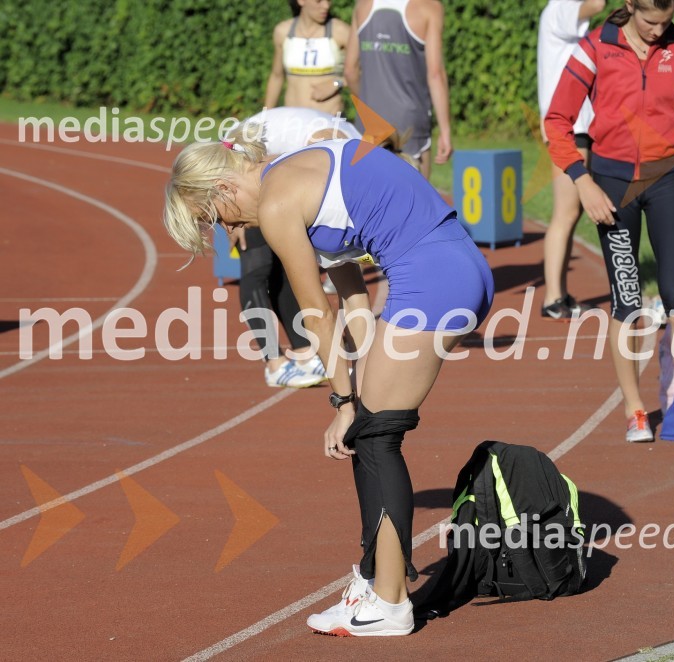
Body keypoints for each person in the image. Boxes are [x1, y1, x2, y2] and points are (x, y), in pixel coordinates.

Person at [163, 136, 494, 636]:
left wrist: (343, 400)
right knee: (370, 428)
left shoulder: (276, 202)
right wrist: (357, 384)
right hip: (452, 265)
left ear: (224, 184)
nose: (229, 232)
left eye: (218, 218)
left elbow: (314, 314)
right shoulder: (297, 172)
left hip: (434, 276)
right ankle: (373, 579)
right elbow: (352, 299)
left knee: (375, 435)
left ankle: (390, 603)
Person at [546, 0, 674, 450]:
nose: (660, 30)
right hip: (611, 184)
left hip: (669, 180)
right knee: (627, 300)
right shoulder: (594, 48)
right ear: (628, 6)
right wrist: (582, 183)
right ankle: (634, 409)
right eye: (649, 21)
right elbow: (557, 122)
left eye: (667, 20)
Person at [226, 107, 362, 387]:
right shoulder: (330, 143)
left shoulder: (352, 149)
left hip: (267, 167)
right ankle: (273, 364)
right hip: (240, 169)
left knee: (289, 265)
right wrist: (227, 217)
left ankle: (304, 353)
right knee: (257, 267)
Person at [538, 0, 606, 320]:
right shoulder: (561, 9)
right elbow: (598, 4)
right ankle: (553, 297)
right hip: (568, 127)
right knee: (565, 212)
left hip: (575, 125)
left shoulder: (560, 10)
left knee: (571, 212)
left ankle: (558, 294)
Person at [344, 0, 452, 180]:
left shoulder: (363, 6)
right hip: (410, 125)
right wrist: (445, 131)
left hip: (369, 124)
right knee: (417, 201)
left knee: (372, 199)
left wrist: (367, 106)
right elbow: (435, 74)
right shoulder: (429, 8)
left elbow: (350, 71)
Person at [264, 0, 350, 115]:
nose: (326, 6)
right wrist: (264, 118)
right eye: (318, 1)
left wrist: (336, 83)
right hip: (294, 122)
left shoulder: (341, 31)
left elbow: (365, 70)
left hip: (329, 121)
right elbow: (276, 76)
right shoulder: (283, 32)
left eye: (328, 0)